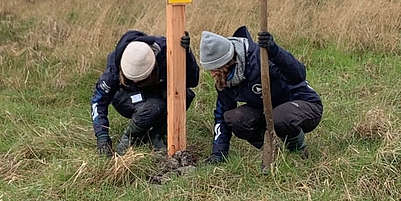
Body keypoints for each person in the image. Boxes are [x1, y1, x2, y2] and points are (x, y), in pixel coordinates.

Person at [198, 26, 323, 164]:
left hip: (304, 104)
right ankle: (271, 149)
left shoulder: (260, 57)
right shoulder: (226, 79)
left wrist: (275, 51)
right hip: (267, 111)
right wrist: (218, 153)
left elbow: (297, 75)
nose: (213, 74)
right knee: (233, 118)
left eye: (215, 69)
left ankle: (297, 152)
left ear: (228, 61)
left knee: (280, 117)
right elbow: (222, 116)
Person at [91, 30, 200, 157]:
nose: (138, 82)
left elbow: (193, 81)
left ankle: (157, 133)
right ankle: (129, 138)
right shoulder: (115, 68)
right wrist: (102, 137)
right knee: (154, 106)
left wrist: (186, 54)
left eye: (142, 78)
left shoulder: (165, 51)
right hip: (126, 95)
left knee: (184, 95)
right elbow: (98, 101)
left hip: (156, 89)